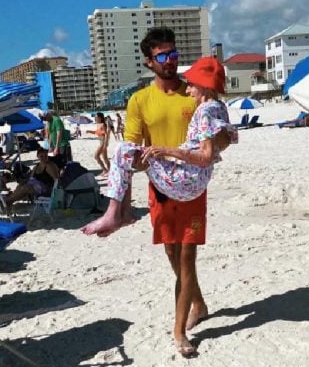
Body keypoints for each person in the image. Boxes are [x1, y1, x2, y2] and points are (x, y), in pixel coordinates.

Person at [98, 27, 211, 357]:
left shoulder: (194, 94)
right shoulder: (140, 100)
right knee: (173, 255)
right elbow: (132, 148)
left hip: (192, 189)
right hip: (160, 189)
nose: (171, 61)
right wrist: (132, 162)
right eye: (163, 56)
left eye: (174, 54)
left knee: (188, 256)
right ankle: (198, 303)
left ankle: (179, 332)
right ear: (149, 62)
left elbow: (214, 134)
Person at [81, 56, 236, 237]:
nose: (188, 90)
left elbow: (206, 156)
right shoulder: (219, 107)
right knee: (132, 155)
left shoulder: (204, 111)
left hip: (185, 180)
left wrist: (167, 151)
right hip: (197, 180)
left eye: (192, 85)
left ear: (205, 86)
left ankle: (115, 214)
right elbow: (223, 143)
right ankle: (123, 213)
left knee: (123, 151)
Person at [86, 112, 111, 177]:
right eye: (95, 117)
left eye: (96, 117)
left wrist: (105, 144)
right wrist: (89, 131)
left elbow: (106, 135)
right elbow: (97, 132)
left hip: (103, 142)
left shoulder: (103, 124)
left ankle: (105, 170)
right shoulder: (98, 124)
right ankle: (110, 171)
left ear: (100, 118)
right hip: (101, 142)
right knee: (105, 158)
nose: (95, 118)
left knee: (96, 156)